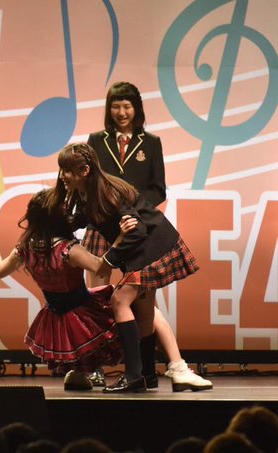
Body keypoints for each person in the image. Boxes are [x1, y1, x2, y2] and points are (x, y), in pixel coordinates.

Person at [85, 81, 212, 392]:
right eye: (116, 106)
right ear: (108, 109)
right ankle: (95, 368)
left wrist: (134, 211)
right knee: (97, 297)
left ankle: (145, 372)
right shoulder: (96, 141)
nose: (121, 112)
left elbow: (158, 189)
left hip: (139, 228)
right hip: (103, 228)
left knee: (142, 303)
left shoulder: (151, 143)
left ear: (137, 109)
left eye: (127, 106)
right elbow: (90, 186)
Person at [54, 142, 199, 393]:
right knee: (144, 313)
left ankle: (132, 376)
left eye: (66, 170)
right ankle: (147, 375)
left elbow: (138, 230)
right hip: (143, 250)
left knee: (119, 300)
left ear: (84, 170)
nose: (62, 176)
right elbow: (84, 218)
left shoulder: (107, 192)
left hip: (152, 248)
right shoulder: (86, 191)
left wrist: (108, 260)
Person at [0, 189, 136, 390]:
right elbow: (100, 267)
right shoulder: (68, 249)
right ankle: (152, 368)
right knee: (135, 312)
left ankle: (79, 373)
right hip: (83, 314)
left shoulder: (26, 248)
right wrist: (120, 238)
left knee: (79, 360)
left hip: (55, 316)